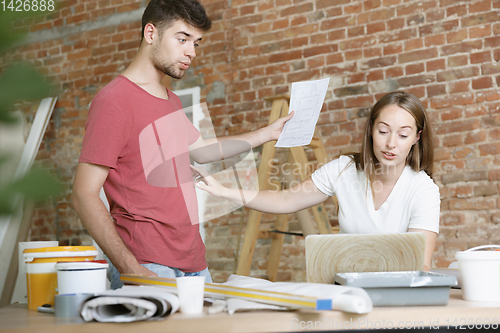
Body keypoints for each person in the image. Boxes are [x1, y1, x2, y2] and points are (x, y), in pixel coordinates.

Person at [71, 0, 293, 289]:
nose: (191, 52)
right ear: (150, 33)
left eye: (196, 43)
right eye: (182, 39)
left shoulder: (169, 99)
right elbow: (83, 194)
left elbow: (202, 150)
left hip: (194, 263)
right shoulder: (115, 101)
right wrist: (130, 267)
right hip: (147, 264)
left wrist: (266, 133)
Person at [192, 91, 440, 271]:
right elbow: (285, 199)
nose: (391, 143)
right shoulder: (344, 169)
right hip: (346, 289)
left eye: (403, 134)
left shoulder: (423, 190)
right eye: (383, 131)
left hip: (393, 297)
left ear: (416, 137)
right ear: (371, 130)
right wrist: (223, 191)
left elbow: (421, 265)